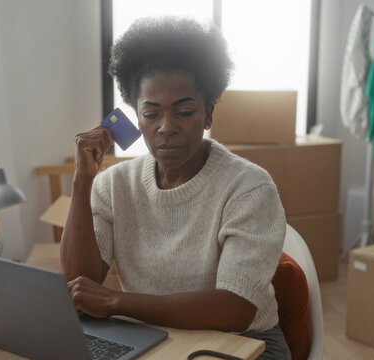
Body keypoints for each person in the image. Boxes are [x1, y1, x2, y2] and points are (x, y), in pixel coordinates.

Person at [60, 17, 291, 359]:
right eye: (151, 114)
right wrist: (82, 182)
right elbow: (81, 281)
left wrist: (115, 301)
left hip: (244, 343)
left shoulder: (248, 188)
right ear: (136, 118)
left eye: (184, 111)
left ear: (209, 114)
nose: (167, 128)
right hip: (151, 335)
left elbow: (235, 309)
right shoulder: (114, 184)